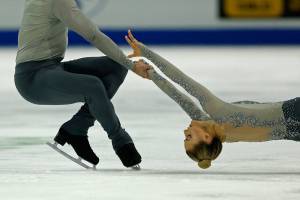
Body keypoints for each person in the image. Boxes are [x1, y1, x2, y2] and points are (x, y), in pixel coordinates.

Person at [125, 30, 300, 169]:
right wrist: (147, 56)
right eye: (188, 138)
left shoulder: (224, 136)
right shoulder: (218, 113)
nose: (184, 133)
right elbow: (181, 82)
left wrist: (152, 75)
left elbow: (177, 95)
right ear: (207, 137)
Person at [14, 0, 151, 168]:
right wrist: (132, 65)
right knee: (92, 86)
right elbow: (92, 34)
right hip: (32, 79)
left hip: (53, 68)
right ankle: (121, 141)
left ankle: (77, 128)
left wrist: (126, 64)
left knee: (116, 66)